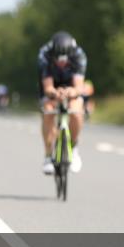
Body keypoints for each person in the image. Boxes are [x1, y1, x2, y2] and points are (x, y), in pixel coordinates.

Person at [38, 31, 88, 175]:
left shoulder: (79, 55)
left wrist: (72, 92)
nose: (61, 62)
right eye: (58, 59)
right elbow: (47, 87)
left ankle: (74, 147)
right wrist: (54, 93)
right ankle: (48, 156)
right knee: (48, 110)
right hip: (52, 84)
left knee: (76, 111)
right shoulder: (44, 55)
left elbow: (79, 86)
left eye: (65, 60)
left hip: (71, 84)